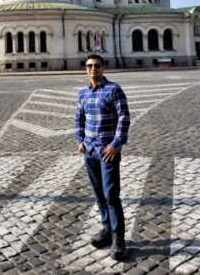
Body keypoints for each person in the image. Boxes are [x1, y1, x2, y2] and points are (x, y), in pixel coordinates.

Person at [75, 54, 130, 260]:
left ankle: (119, 238)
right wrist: (79, 140)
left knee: (111, 194)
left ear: (103, 68)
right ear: (85, 69)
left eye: (97, 66)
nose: (93, 69)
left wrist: (115, 145)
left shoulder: (113, 90)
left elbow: (124, 118)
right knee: (98, 193)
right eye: (89, 66)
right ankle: (107, 229)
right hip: (89, 151)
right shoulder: (82, 92)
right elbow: (78, 118)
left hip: (107, 152)